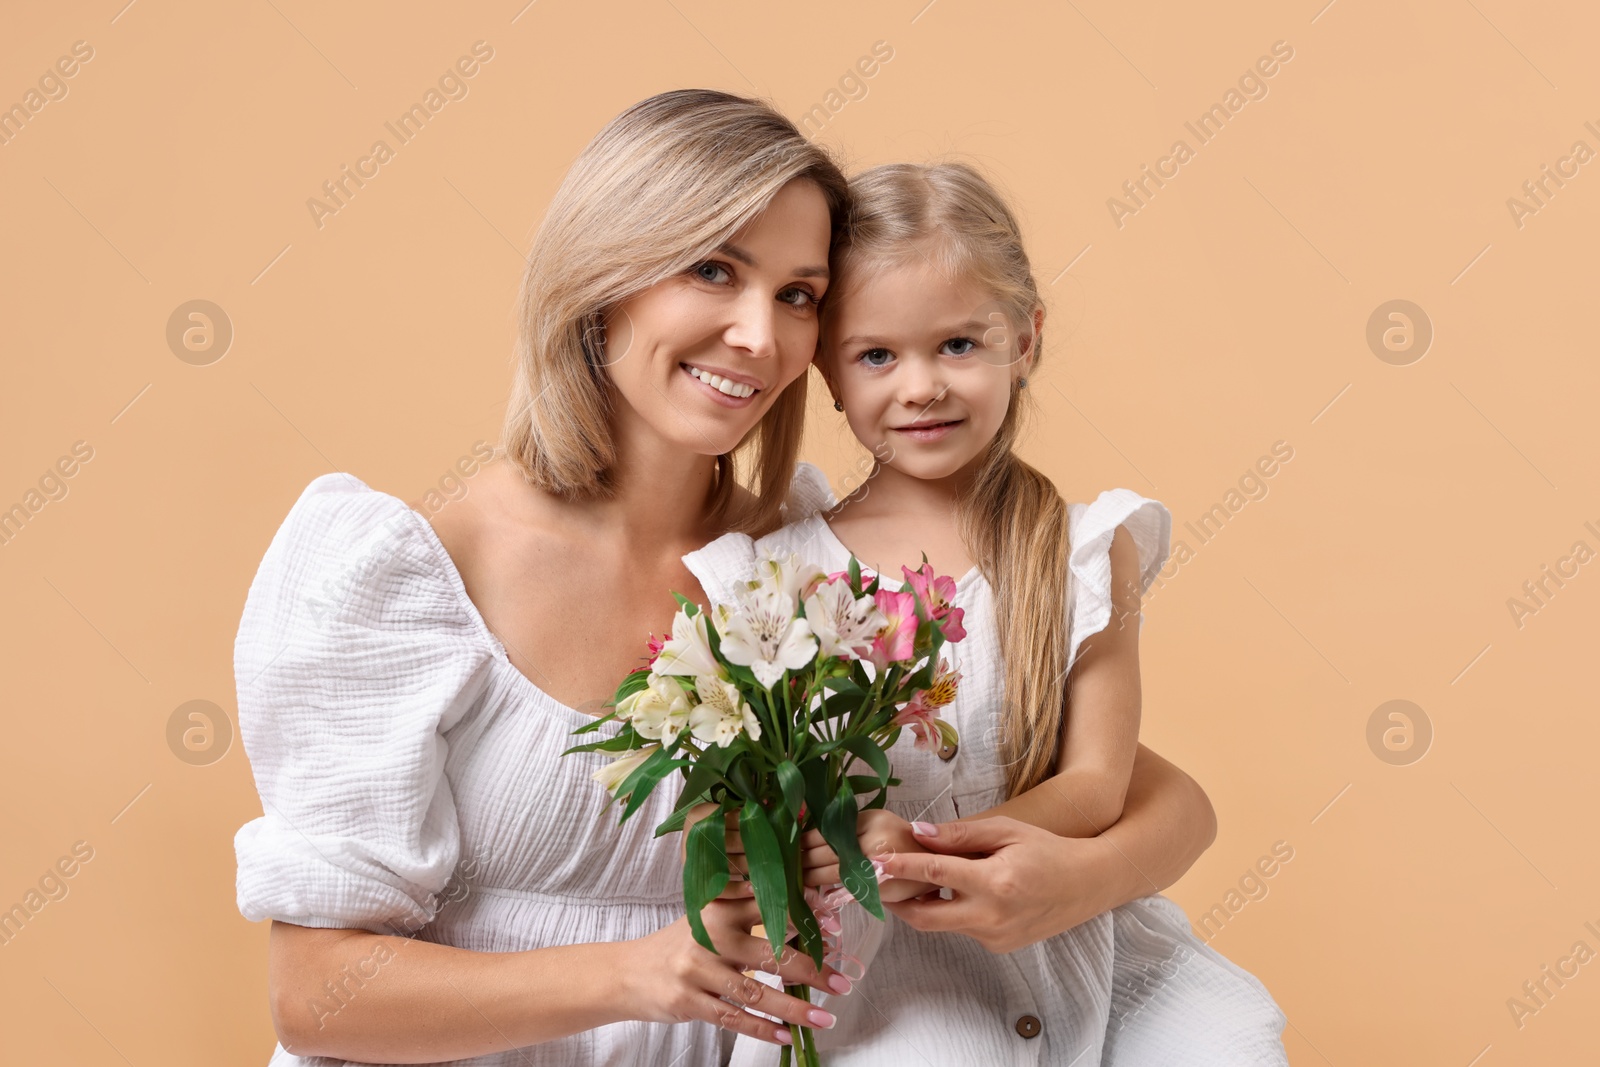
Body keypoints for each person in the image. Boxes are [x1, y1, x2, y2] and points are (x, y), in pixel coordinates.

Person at [232, 89, 856, 1066]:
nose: (757, 336)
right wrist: (637, 972)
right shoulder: (417, 572)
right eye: (712, 268)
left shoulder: (804, 563)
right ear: (604, 273)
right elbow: (313, 995)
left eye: (798, 294)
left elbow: (1091, 774)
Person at [686, 162, 1288, 1065]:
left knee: (1235, 1036)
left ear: (1026, 337)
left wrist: (943, 846)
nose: (921, 386)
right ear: (830, 376)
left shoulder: (1082, 547)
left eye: (959, 345)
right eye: (878, 355)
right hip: (895, 962)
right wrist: (862, 838)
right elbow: (771, 781)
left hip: (1079, 925)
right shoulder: (776, 572)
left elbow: (1095, 782)